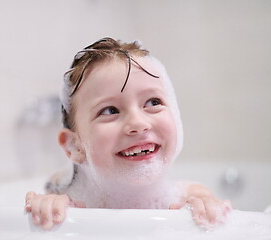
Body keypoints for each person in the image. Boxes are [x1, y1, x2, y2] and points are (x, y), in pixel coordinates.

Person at [25, 37, 232, 230]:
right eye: (110, 110)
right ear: (74, 146)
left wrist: (206, 204)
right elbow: (49, 209)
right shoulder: (69, 202)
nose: (138, 124)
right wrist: (48, 206)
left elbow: (210, 210)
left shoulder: (189, 196)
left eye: (153, 102)